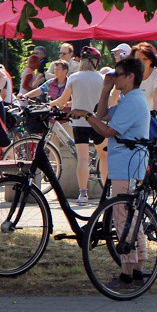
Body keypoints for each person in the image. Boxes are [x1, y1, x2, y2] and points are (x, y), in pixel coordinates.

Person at [71, 57, 150, 290]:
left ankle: (129, 271)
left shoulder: (134, 101)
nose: (114, 77)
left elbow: (106, 128)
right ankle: (137, 268)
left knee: (124, 217)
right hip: (125, 164)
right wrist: (105, 89)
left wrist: (86, 115)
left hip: (128, 164)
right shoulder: (128, 99)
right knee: (130, 217)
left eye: (118, 74)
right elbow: (103, 113)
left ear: (130, 77)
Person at [50, 46, 108, 206]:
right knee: (104, 156)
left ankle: (83, 194)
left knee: (83, 158)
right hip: (98, 122)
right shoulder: (101, 79)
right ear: (95, 62)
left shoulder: (74, 77)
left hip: (79, 122)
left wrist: (52, 103)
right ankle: (106, 191)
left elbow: (62, 100)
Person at [131, 42, 157, 113]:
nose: (141, 62)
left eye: (145, 59)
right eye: (138, 59)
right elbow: (115, 95)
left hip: (147, 119)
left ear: (151, 60)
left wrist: (155, 120)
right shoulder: (128, 74)